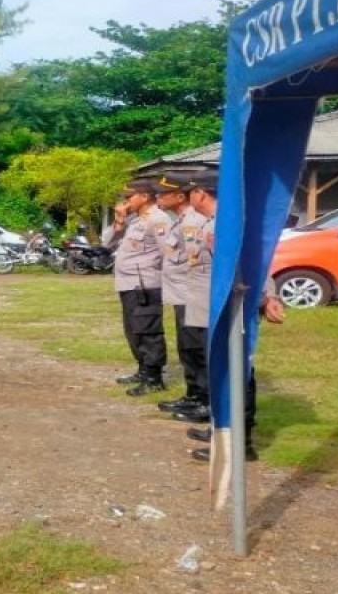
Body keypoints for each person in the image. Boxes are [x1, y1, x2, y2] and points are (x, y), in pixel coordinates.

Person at [179, 170, 284, 462]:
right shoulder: (214, 223)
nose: (189, 197)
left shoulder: (232, 224)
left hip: (234, 309)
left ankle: (240, 443)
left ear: (200, 193)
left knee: (236, 374)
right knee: (219, 373)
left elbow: (256, 262)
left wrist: (269, 297)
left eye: (191, 192)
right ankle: (220, 430)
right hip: (214, 309)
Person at [103, 178, 171, 396]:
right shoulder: (133, 220)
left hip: (145, 285)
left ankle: (154, 377)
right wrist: (120, 221)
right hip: (128, 284)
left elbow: (167, 253)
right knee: (133, 330)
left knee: (148, 330)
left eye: (129, 196)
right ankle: (142, 369)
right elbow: (107, 243)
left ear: (145, 196)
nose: (126, 201)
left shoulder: (159, 219)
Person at [152, 172, 210, 423]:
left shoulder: (195, 221)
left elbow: (194, 262)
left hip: (192, 294)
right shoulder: (181, 220)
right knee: (187, 349)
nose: (158, 198)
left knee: (197, 349)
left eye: (163, 194)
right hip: (181, 294)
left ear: (179, 196)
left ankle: (204, 399)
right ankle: (193, 394)